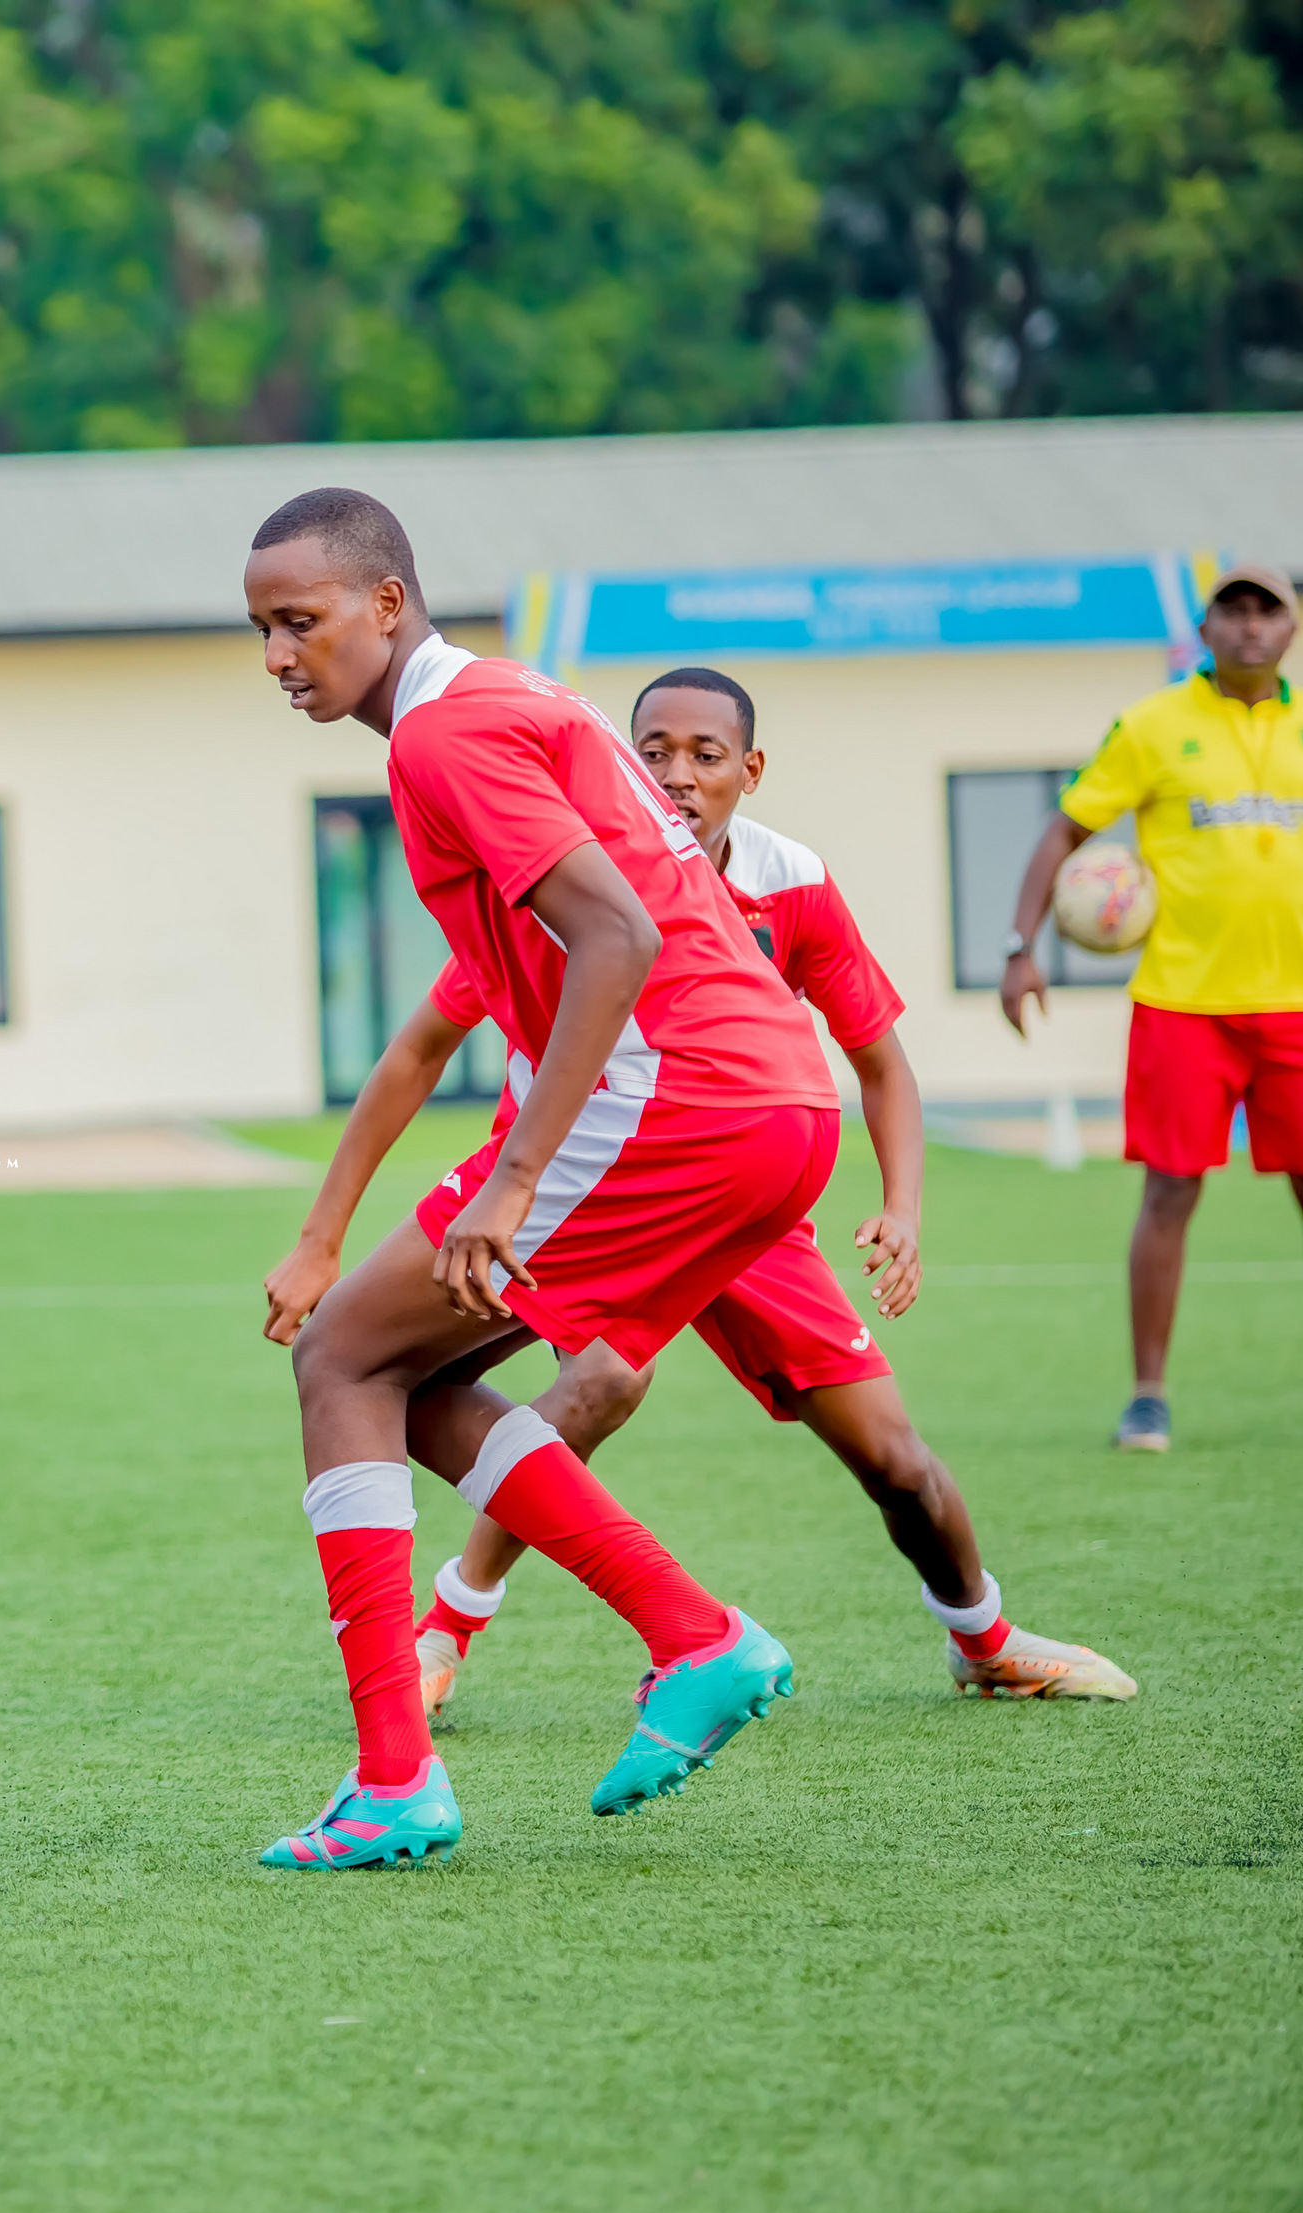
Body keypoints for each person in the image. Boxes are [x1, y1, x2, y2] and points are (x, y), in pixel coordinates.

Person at [267, 667, 1136, 1713]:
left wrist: (902, 1209)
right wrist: (325, 1233)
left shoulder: (789, 884)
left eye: (705, 755)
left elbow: (879, 1062)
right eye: (655, 752)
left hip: (741, 1192)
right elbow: (418, 1049)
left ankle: (981, 1635)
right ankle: (452, 1627)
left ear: (749, 770)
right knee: (592, 1386)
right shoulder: (571, 872)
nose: (676, 774)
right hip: (597, 1182)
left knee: (894, 1459)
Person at [244, 489, 840, 1873]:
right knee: (407, 1377)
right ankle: (691, 1634)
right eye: (260, 629)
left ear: (387, 604)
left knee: (341, 1361)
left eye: (301, 620)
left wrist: (511, 1181)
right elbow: (503, 992)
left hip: (676, 1097)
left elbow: (618, 938)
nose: (277, 654)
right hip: (772, 1100)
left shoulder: (444, 735)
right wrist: (333, 1228)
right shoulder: (507, 699)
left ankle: (396, 1779)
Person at [999, 561, 1303, 1452]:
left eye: (1268, 611)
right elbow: (1066, 828)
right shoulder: (1152, 725)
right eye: (1233, 610)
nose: (1250, 626)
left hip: (1295, 1005)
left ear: (1290, 629)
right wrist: (1021, 948)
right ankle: (1148, 1397)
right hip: (1183, 1002)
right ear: (1205, 630)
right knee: (1169, 1191)